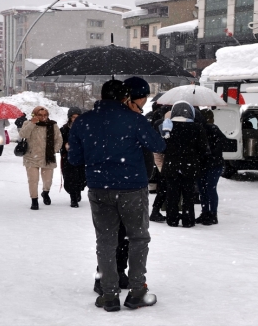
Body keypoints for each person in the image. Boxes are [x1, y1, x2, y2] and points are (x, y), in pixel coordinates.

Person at [68, 79, 165, 311]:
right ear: (125, 97)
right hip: (132, 187)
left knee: (106, 240)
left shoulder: (82, 121)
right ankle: (136, 292)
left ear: (101, 96)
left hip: (99, 188)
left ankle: (109, 294)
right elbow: (158, 145)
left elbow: (75, 159)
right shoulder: (135, 119)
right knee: (138, 238)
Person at [161, 101, 209, 227]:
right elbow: (204, 148)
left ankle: (172, 219)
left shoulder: (167, 126)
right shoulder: (197, 127)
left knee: (172, 193)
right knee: (188, 194)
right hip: (190, 165)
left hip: (171, 165)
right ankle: (188, 219)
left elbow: (162, 147)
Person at [18, 106, 63, 210]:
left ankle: (45, 192)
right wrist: (32, 123)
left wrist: (53, 151)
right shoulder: (28, 123)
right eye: (40, 115)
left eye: (45, 115)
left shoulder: (52, 125)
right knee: (33, 180)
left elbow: (59, 140)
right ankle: (34, 200)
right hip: (31, 156)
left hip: (48, 157)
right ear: (34, 115)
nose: (43, 117)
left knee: (48, 180)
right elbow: (23, 134)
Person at [196, 109, 226, 225]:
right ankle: (211, 214)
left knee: (204, 189)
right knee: (210, 189)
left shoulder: (203, 129)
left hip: (205, 164)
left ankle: (207, 212)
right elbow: (224, 143)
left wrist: (207, 153)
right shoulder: (214, 129)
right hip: (214, 164)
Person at [60, 107, 87, 208]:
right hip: (68, 158)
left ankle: (78, 191)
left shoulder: (85, 129)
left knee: (81, 177)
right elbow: (59, 141)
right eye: (73, 117)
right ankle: (73, 198)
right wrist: (65, 145)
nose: (75, 119)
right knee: (70, 178)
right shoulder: (64, 129)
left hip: (81, 158)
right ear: (69, 118)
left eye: (78, 117)